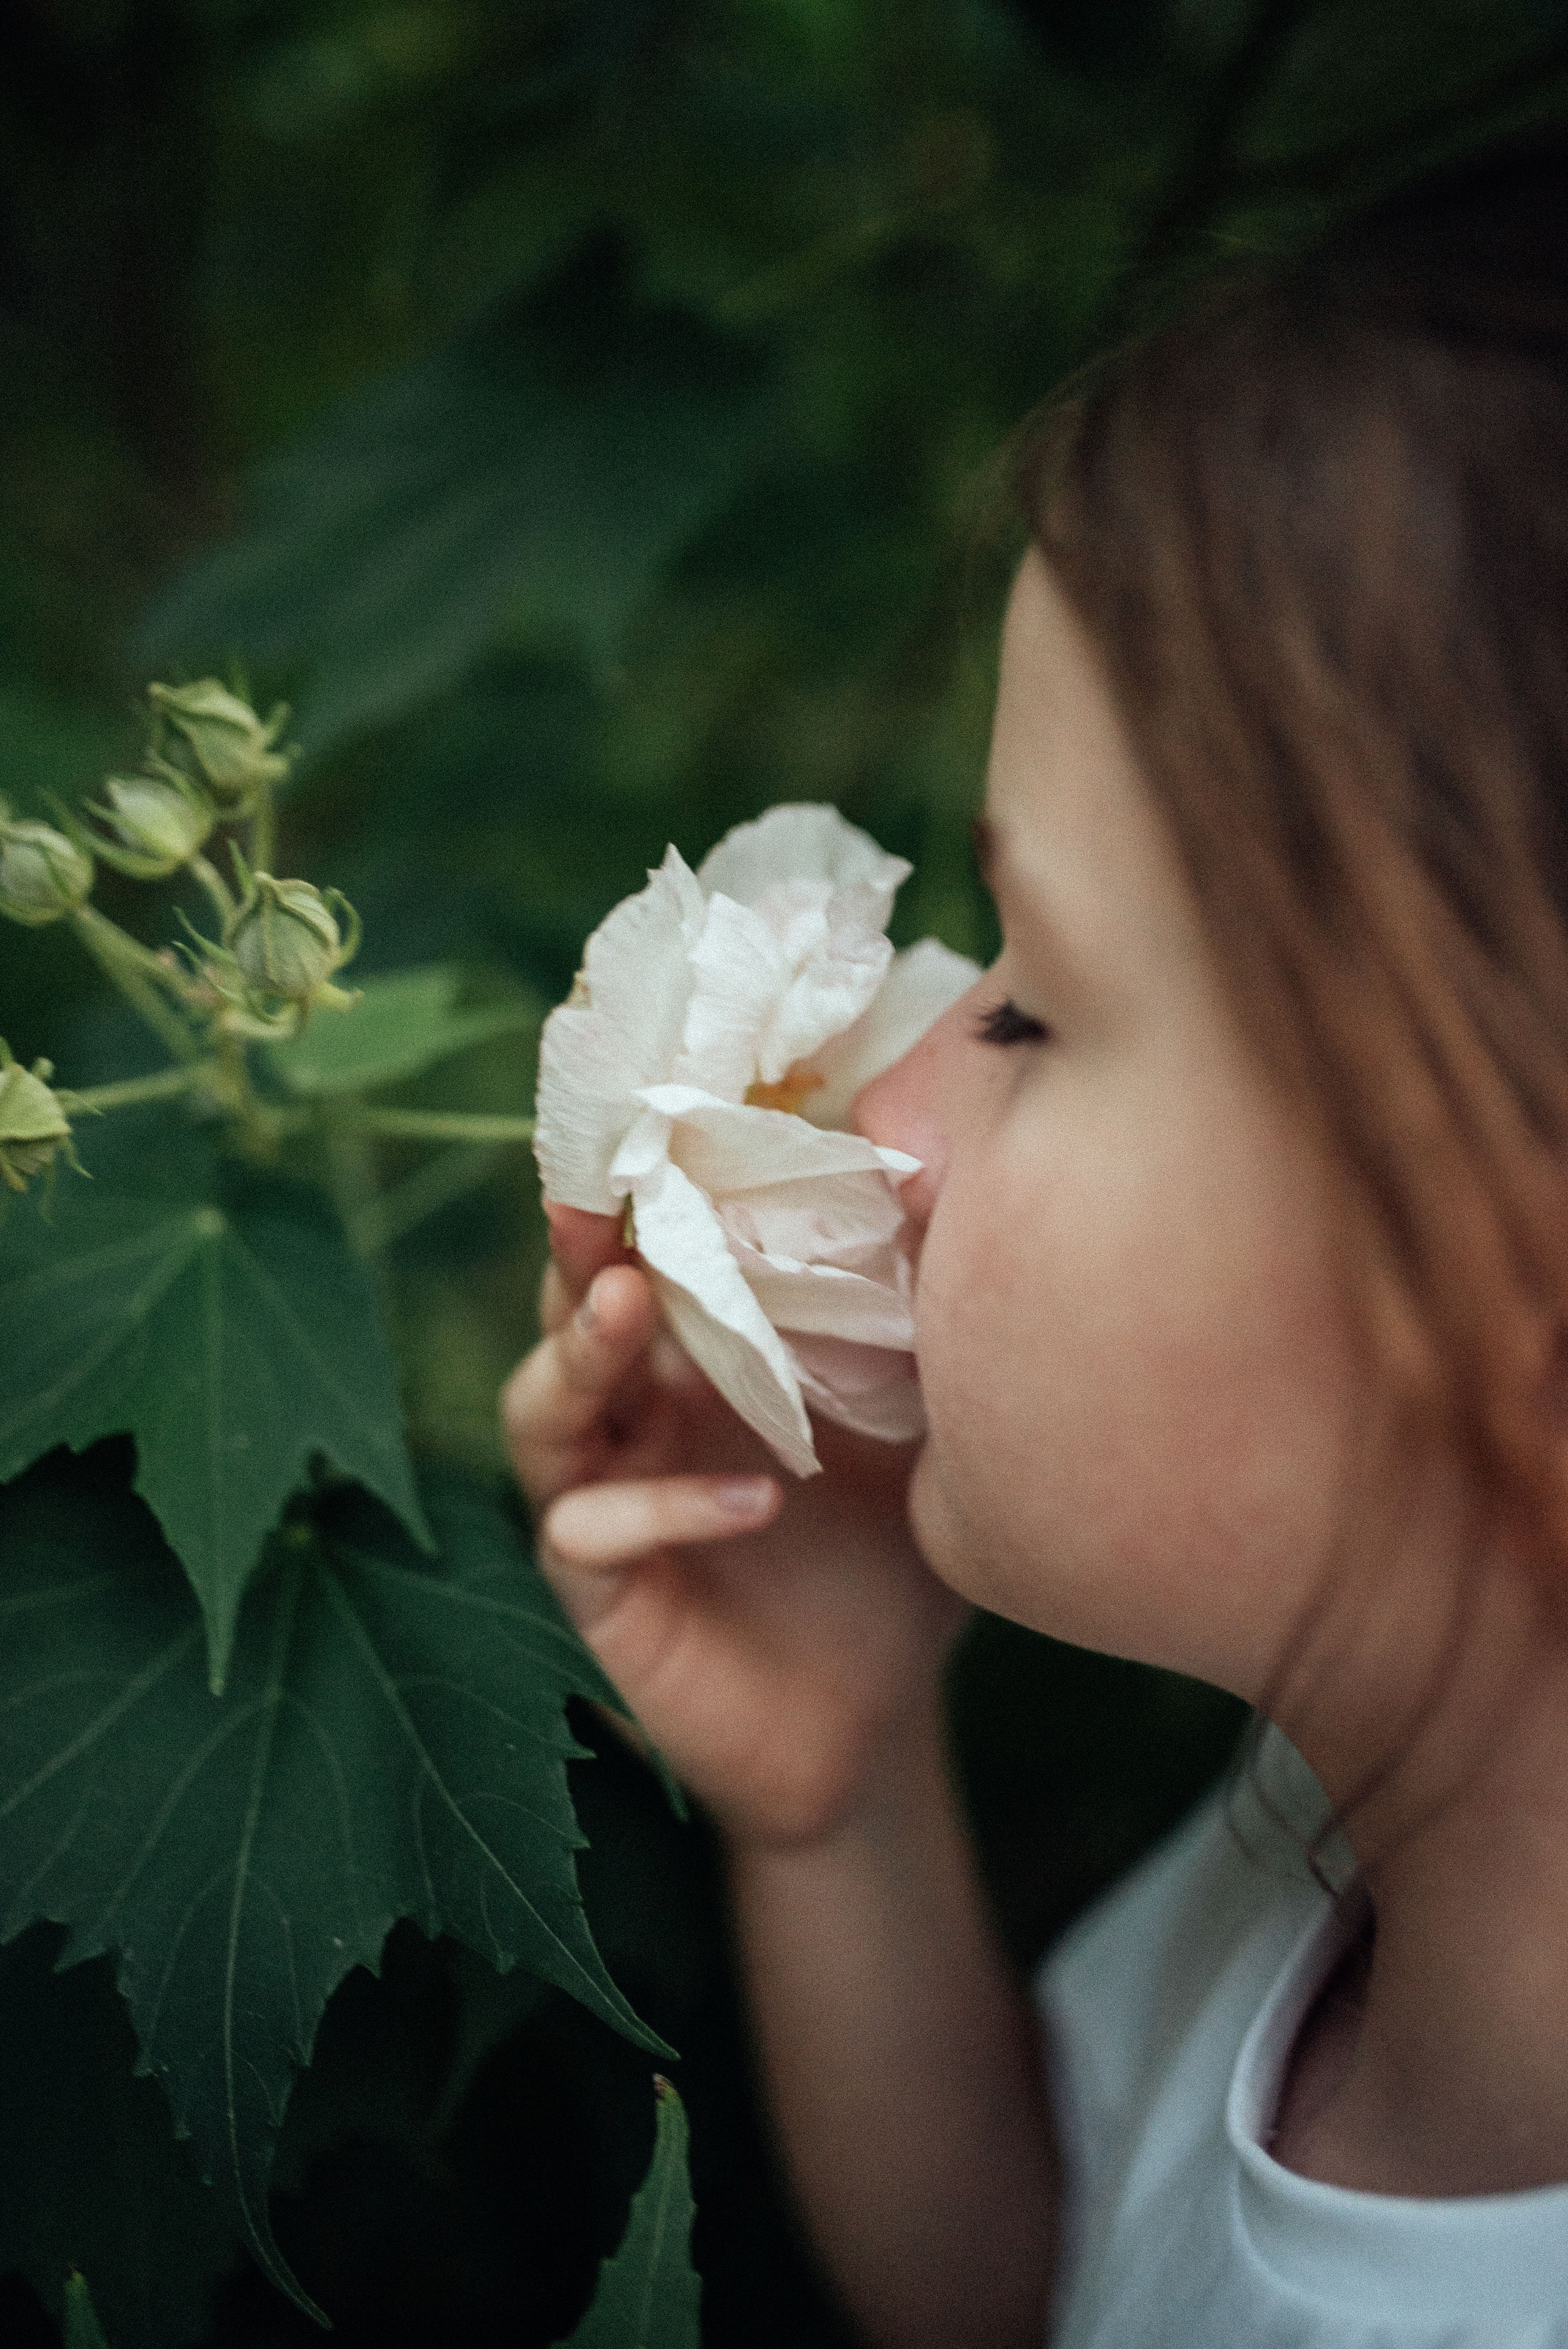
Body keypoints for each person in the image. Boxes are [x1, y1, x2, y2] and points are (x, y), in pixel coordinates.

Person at [501, 133, 1568, 2348]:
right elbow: (1052, 2274)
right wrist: (848, 1798)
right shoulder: (1350, 1820)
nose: (894, 1106)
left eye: (1037, 1007)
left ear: (1507, 1280)